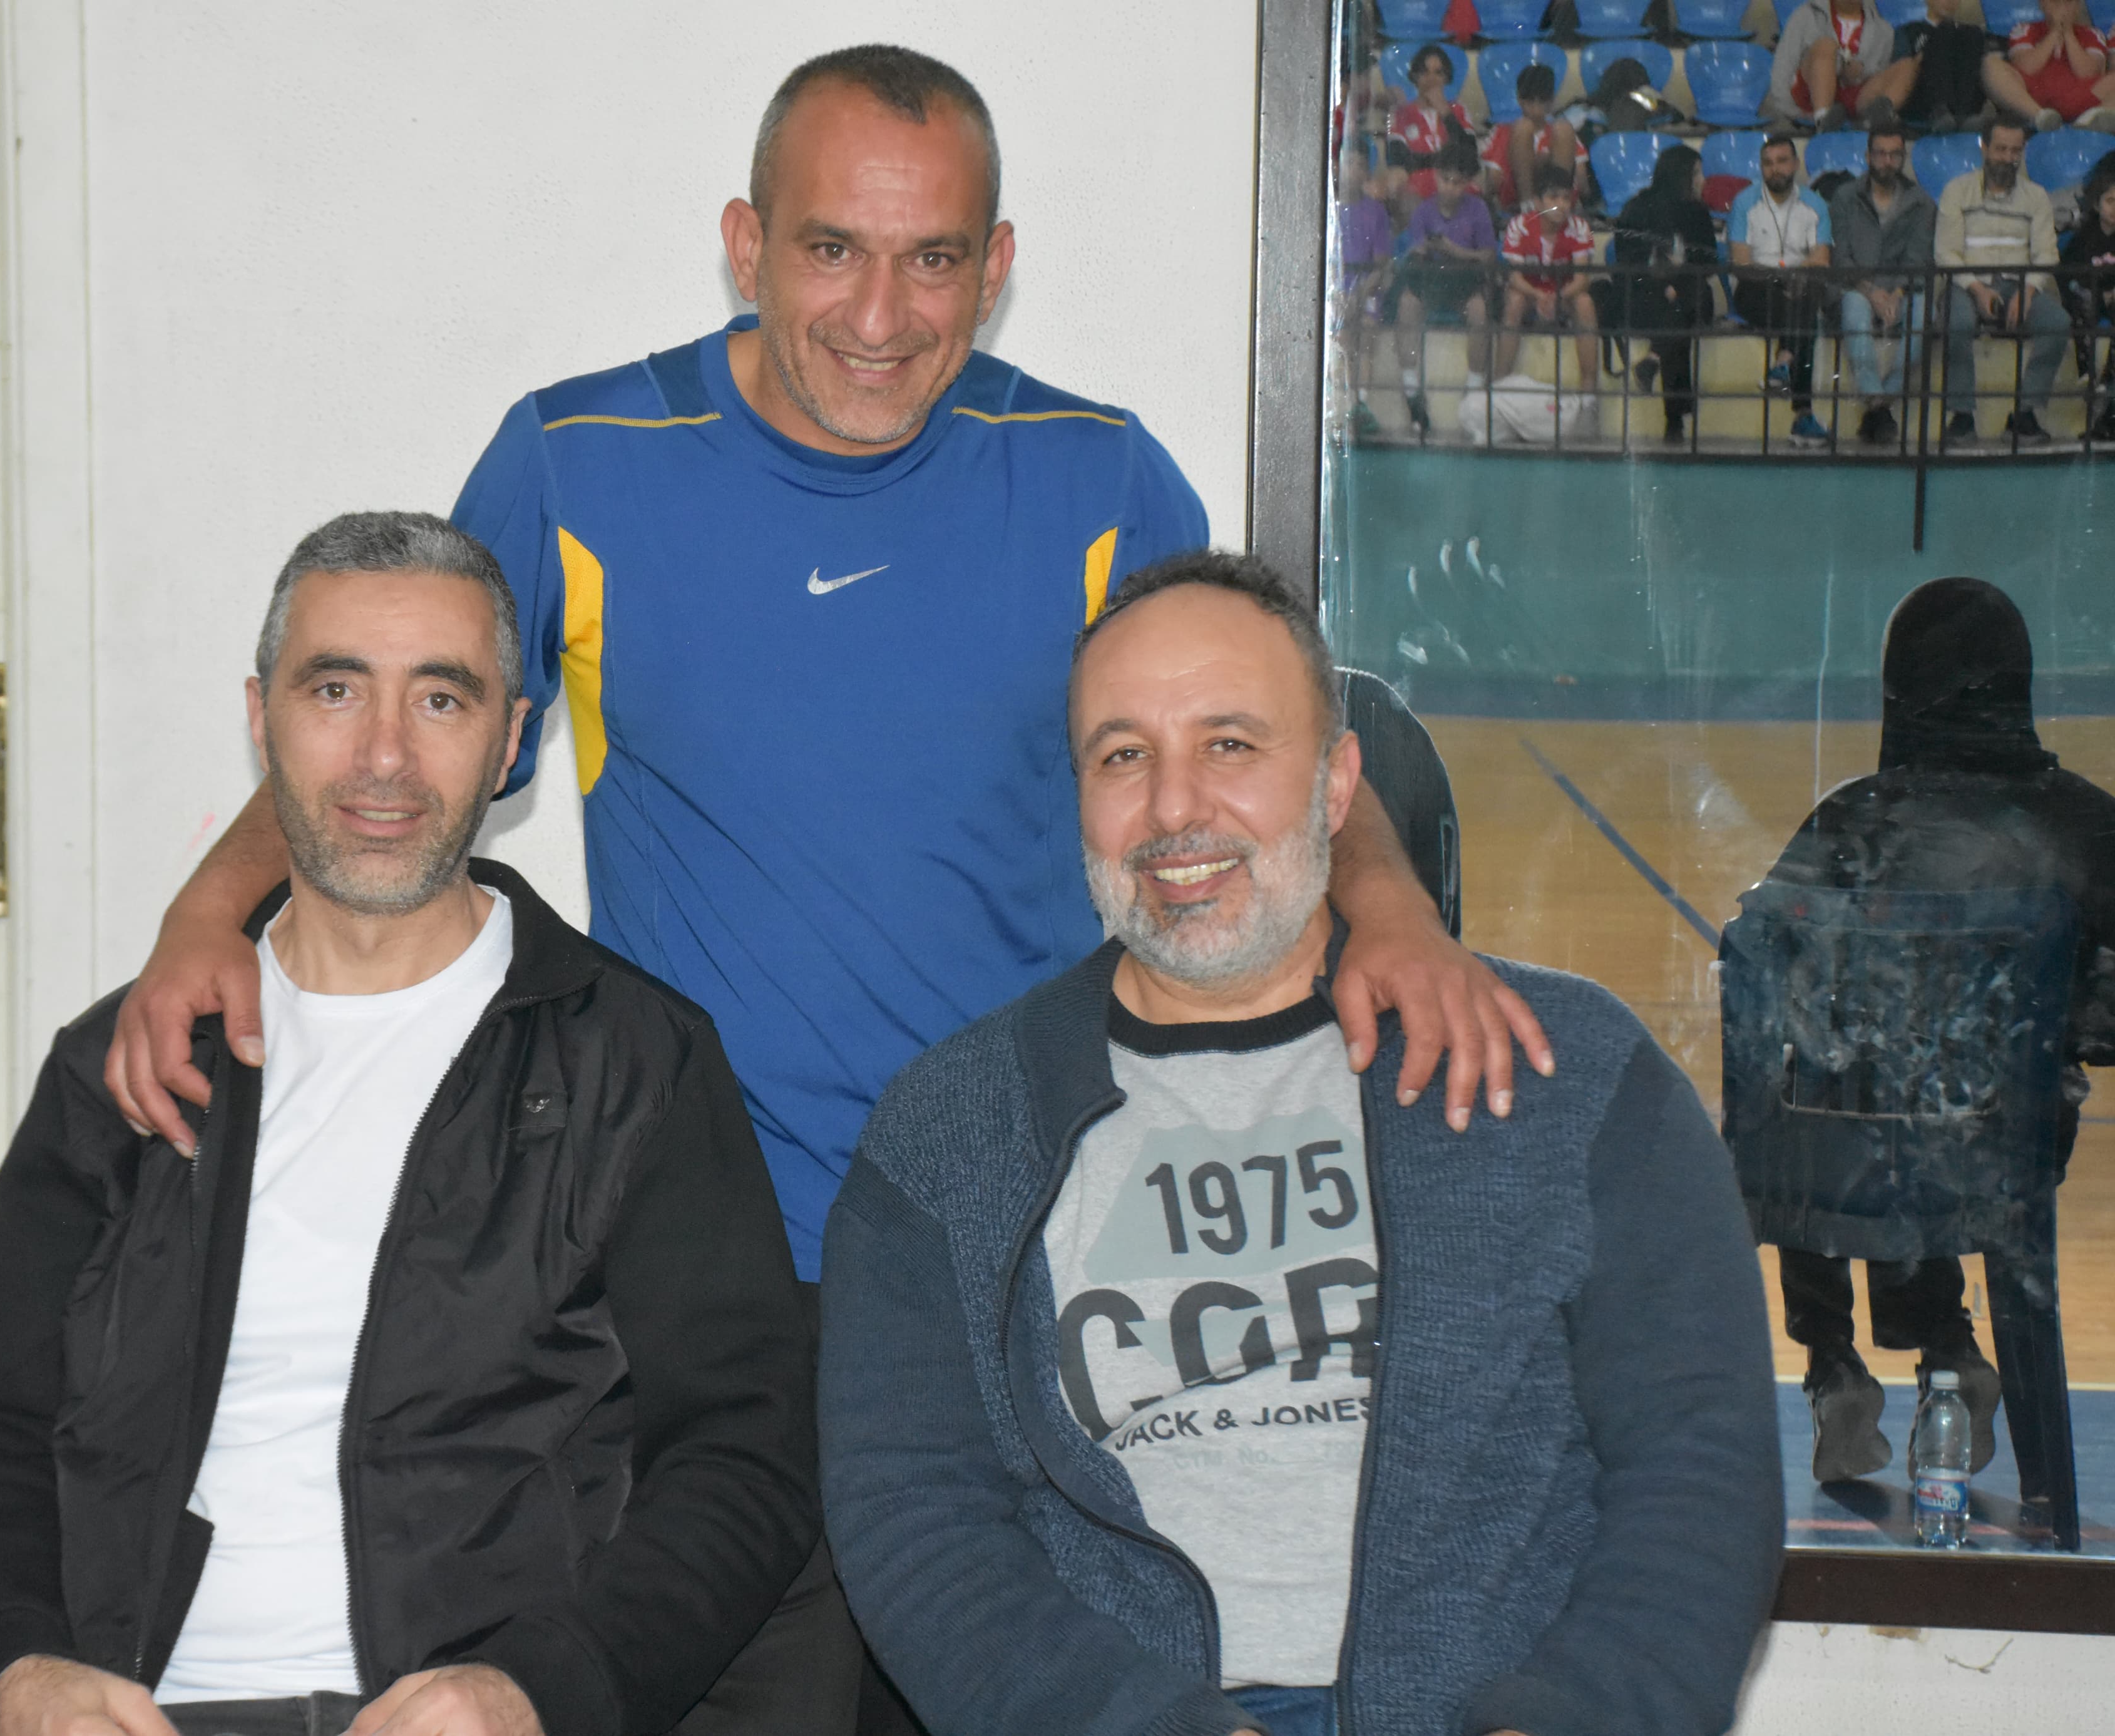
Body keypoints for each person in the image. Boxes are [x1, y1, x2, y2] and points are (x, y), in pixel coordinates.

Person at [103, 46, 1550, 1733]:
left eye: (932, 258)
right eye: (831, 250)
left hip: (1039, 1257)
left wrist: (1398, 916)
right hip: (720, 1280)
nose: (880, 313)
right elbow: (392, 752)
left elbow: (1269, 743)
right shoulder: (576, 463)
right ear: (746, 245)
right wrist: (204, 916)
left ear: (994, 269)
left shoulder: (1097, 479)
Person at [0, 513, 841, 1736]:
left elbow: (743, 1456)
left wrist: (538, 1690)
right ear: (262, 719)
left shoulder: (634, 1060)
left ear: (511, 740)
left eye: (441, 700)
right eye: (335, 690)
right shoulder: (127, 1063)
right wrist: (13, 1672)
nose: (384, 756)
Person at [819, 550, 1783, 1736]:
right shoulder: (949, 1134)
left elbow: (1700, 1461)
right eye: (1123, 756)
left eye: (1229, 743)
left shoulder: (1566, 1072)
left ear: (1335, 786)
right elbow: (917, 1523)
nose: (1174, 810)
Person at [1751, 576, 2115, 1486]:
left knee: (1838, 1094)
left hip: (1841, 1154)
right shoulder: (2088, 822)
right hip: (2006, 1147)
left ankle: (1835, 1363)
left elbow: (1763, 967)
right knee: (1931, 1115)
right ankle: (1946, 1352)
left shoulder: (1854, 815)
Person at [1935, 116, 2074, 447]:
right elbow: (1945, 253)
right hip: (1965, 283)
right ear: (1984, 149)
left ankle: (2025, 414)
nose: (2008, 158)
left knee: (2058, 323)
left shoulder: (2036, 196)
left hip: (2018, 283)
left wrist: (2028, 291)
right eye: (2001, 149)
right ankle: (1962, 415)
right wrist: (1977, 288)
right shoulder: (1957, 191)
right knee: (1957, 323)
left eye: (2015, 151)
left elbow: (2047, 254)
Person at [1605, 144, 1720, 443]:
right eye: (1697, 173)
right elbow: (1627, 264)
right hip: (1645, 298)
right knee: (1677, 317)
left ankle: (1655, 361)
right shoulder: (1638, 208)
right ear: (1682, 176)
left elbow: (1709, 263)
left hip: (1685, 295)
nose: (1703, 180)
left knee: (1688, 299)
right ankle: (1674, 418)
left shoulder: (1698, 212)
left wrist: (1677, 282)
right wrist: (1661, 286)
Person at [1831, 122, 1937, 444]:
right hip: (1856, 288)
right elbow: (1841, 258)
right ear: (1867, 157)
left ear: (1903, 158)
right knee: (1854, 310)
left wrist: (1897, 293)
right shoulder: (1845, 198)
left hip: (1903, 291)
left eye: (1894, 155)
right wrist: (1872, 291)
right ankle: (1880, 405)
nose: (1887, 162)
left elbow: (1919, 260)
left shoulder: (1921, 202)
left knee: (1925, 316)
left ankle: (1879, 404)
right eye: (1880, 154)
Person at [1728, 134, 1836, 448]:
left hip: (1801, 287)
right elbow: (1741, 263)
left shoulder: (1815, 205)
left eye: (1782, 161)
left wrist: (1796, 276)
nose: (1775, 169)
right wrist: (1781, 277)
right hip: (1756, 289)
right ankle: (1802, 415)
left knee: (1806, 296)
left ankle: (1784, 365)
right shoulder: (1745, 203)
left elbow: (1822, 260)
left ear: (1796, 165)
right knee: (1805, 317)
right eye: (1768, 163)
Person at [1394, 137, 1499, 437]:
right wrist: (1422, 249)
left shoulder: (1478, 209)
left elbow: (1489, 256)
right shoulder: (1423, 211)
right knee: (1407, 304)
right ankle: (1411, 390)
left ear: (1467, 183)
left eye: (1458, 182)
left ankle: (1473, 392)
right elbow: (1413, 251)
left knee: (1479, 310)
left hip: (1465, 282)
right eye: (1446, 180)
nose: (1450, 188)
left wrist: (1457, 251)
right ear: (1436, 176)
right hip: (1432, 281)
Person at [1494, 165, 1600, 418]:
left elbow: (1582, 279)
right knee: (1515, 300)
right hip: (1531, 296)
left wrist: (1558, 297)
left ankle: (1589, 397)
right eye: (1553, 198)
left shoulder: (1579, 227)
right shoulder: (1519, 225)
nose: (1561, 205)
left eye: (1566, 198)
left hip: (1564, 297)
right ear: (1538, 202)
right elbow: (1514, 277)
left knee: (1585, 302)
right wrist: (1539, 296)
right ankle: (1498, 387)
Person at [1334, 140, 1398, 441]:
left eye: (1361, 165)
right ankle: (1345, 406)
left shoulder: (1376, 212)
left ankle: (1362, 405)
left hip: (1367, 289)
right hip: (1336, 292)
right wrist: (1340, 296)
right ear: (1338, 166)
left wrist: (1358, 294)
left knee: (1368, 327)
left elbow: (1381, 265)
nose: (1355, 171)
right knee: (1342, 333)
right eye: (1350, 163)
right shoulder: (1329, 208)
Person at [1767, 0, 1907, 130]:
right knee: (1826, 46)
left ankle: (1871, 124)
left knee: (1906, 65)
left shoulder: (1884, 29)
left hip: (1855, 97)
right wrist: (1793, 113)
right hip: (1810, 97)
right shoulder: (1806, 16)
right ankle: (1824, 121)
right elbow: (1782, 68)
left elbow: (1879, 75)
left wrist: (1860, 72)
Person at [1982, 0, 2115, 135]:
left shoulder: (2092, 34)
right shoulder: (2024, 29)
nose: (2062, 8)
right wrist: (2054, 32)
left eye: (2068, 2)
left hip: (2080, 97)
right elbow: (2027, 68)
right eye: (2055, 2)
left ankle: (2089, 121)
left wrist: (2068, 33)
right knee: (1991, 63)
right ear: (2042, 5)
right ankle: (2040, 117)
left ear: (2077, 7)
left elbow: (2088, 73)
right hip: (2035, 96)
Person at [1873, 0, 1997, 133]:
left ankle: (1964, 114)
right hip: (1922, 96)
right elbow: (1899, 70)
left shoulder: (1968, 35)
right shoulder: (1909, 31)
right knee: (1945, 30)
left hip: (1961, 99)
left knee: (1972, 32)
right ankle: (1939, 109)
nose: (1949, 2)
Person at [1480, 63, 1587, 213]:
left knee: (1562, 127)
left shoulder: (1564, 133)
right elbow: (1493, 183)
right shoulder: (1502, 131)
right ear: (1519, 99)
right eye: (1530, 100)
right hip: (1517, 201)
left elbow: (1582, 184)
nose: (1536, 108)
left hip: (1559, 201)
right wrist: (1520, 160)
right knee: (1523, 127)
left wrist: (1549, 165)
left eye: (1542, 101)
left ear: (1552, 101)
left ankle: (1556, 202)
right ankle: (1528, 207)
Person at [1383, 43, 1473, 218]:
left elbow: (1469, 157)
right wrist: (1444, 158)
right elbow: (1399, 159)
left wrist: (1446, 113)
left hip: (1454, 184)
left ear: (1446, 78)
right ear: (1415, 77)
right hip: (1417, 186)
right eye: (1425, 72)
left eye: (1438, 73)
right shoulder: (1401, 113)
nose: (1431, 79)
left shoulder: (1458, 111)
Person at [2062, 154, 2115, 440]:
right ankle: (2087, 371)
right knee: (2079, 308)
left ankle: (2109, 377)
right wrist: (2097, 293)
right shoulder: (2084, 237)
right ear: (2097, 205)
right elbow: (2070, 273)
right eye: (2110, 201)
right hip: (2087, 296)